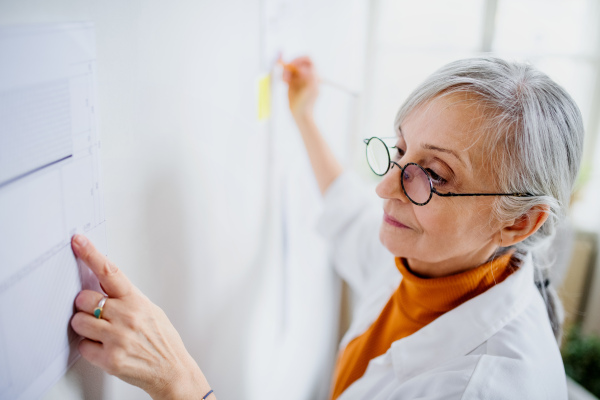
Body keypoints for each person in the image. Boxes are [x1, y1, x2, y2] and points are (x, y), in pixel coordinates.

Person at [70, 56, 583, 399]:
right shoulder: (432, 255)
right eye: (400, 150)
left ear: (519, 222)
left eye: (433, 174)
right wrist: (304, 116)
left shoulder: (485, 386)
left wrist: (176, 379)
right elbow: (348, 211)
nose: (387, 189)